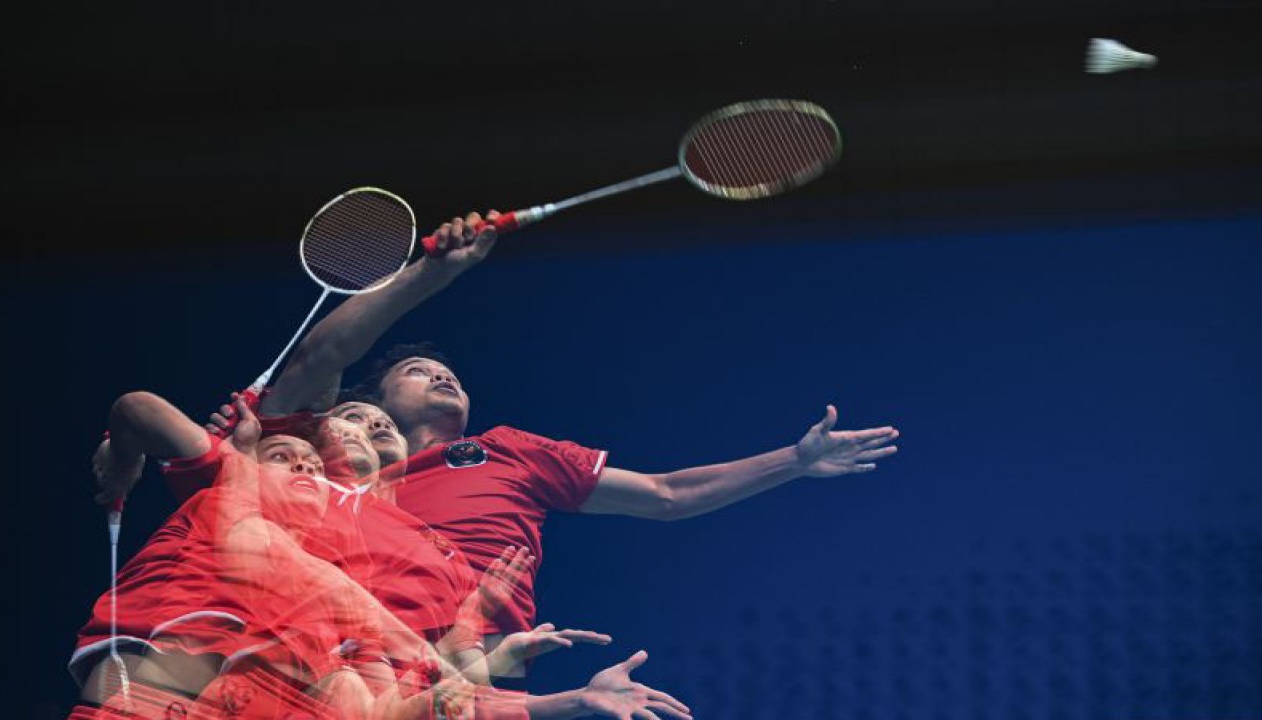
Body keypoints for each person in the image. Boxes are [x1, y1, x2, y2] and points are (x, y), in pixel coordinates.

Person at [185, 212, 902, 657]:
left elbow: (666, 494)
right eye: (416, 370)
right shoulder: (331, 464)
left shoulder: (509, 451)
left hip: (474, 663)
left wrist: (795, 460)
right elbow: (322, 357)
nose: (441, 377)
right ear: (366, 409)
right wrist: (432, 272)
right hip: (332, 653)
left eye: (448, 371)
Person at [84, 393, 690, 720]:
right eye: (346, 421)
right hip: (170, 682)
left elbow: (412, 706)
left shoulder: (429, 553)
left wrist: (562, 699)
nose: (303, 464)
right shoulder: (256, 485)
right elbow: (140, 411)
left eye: (378, 427)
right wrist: (129, 455)